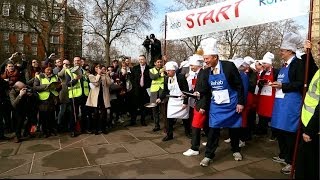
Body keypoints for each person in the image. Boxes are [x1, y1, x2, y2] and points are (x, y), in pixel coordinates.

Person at [196, 38, 245, 167]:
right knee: (213, 129)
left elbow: (239, 85)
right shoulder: (206, 72)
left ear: (215, 57)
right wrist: (198, 93)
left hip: (232, 103)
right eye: (204, 59)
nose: (205, 61)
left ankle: (236, 150)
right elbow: (206, 90)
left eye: (207, 59)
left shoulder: (229, 66)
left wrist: (240, 103)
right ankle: (208, 155)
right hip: (216, 106)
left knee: (234, 128)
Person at [270, 32, 305, 175]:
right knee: (280, 130)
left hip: (291, 103)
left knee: (289, 132)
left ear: (290, 51)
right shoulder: (284, 65)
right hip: (280, 103)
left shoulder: (298, 64)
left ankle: (292, 162)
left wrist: (282, 86)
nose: (280, 53)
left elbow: (300, 83)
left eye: (282, 51)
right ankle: (284, 155)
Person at [295, 41, 319, 179]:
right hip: (309, 122)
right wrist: (307, 54)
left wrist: (310, 130)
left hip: (314, 127)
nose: (319, 53)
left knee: (309, 165)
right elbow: (312, 71)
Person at [156, 61, 190, 141]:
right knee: (169, 119)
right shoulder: (166, 78)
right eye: (166, 71)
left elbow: (186, 90)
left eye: (168, 71)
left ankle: (188, 132)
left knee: (185, 118)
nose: (167, 72)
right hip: (172, 101)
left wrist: (185, 102)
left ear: (174, 70)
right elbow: (165, 90)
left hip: (181, 100)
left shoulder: (181, 77)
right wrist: (160, 98)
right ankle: (169, 135)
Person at [183, 54, 207, 156]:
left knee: (196, 126)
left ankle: (195, 148)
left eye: (192, 65)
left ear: (197, 65)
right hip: (199, 102)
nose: (191, 67)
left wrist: (203, 106)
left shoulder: (203, 74)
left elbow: (207, 91)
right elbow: (198, 89)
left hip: (201, 104)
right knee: (206, 125)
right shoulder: (200, 74)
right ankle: (211, 141)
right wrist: (189, 93)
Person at [65, 56, 90, 137]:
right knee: (74, 114)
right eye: (75, 60)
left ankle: (84, 128)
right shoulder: (68, 71)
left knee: (84, 113)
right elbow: (68, 84)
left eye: (78, 60)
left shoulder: (84, 71)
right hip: (74, 95)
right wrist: (76, 79)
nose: (77, 62)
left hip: (84, 95)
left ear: (81, 62)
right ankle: (72, 130)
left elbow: (87, 83)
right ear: (73, 62)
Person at [256, 52, 279, 140]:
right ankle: (262, 130)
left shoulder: (276, 71)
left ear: (270, 63)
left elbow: (279, 84)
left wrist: (271, 83)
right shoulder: (263, 73)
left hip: (272, 96)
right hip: (263, 96)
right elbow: (260, 83)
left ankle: (274, 133)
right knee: (262, 114)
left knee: (272, 115)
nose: (263, 65)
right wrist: (260, 83)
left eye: (265, 63)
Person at [33, 66, 60, 138]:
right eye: (48, 70)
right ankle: (45, 131)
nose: (49, 71)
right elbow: (35, 87)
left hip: (53, 97)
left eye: (51, 70)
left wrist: (57, 86)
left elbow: (59, 86)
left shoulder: (55, 76)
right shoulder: (39, 77)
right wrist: (45, 86)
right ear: (44, 70)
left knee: (52, 115)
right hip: (43, 98)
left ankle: (52, 130)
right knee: (44, 116)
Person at [86, 63, 112, 134]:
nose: (98, 68)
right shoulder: (91, 75)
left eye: (99, 67)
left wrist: (106, 75)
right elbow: (96, 83)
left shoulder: (104, 75)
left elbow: (109, 83)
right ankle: (96, 129)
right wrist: (98, 74)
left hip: (104, 96)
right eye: (96, 67)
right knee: (95, 113)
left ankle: (103, 128)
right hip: (95, 97)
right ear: (94, 68)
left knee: (104, 113)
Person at [129, 55, 151, 126]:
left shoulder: (149, 68)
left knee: (143, 106)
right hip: (136, 90)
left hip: (145, 89)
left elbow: (150, 79)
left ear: (145, 60)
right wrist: (135, 85)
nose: (141, 61)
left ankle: (143, 121)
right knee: (134, 106)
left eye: (142, 59)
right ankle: (133, 121)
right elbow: (131, 78)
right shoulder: (135, 68)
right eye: (140, 59)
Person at [149, 58, 165, 131]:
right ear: (155, 63)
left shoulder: (164, 69)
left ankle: (166, 126)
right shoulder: (151, 70)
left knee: (163, 110)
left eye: (160, 62)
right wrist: (159, 73)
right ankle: (156, 125)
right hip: (154, 92)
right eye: (158, 62)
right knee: (154, 109)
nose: (159, 63)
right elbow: (153, 77)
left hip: (162, 91)